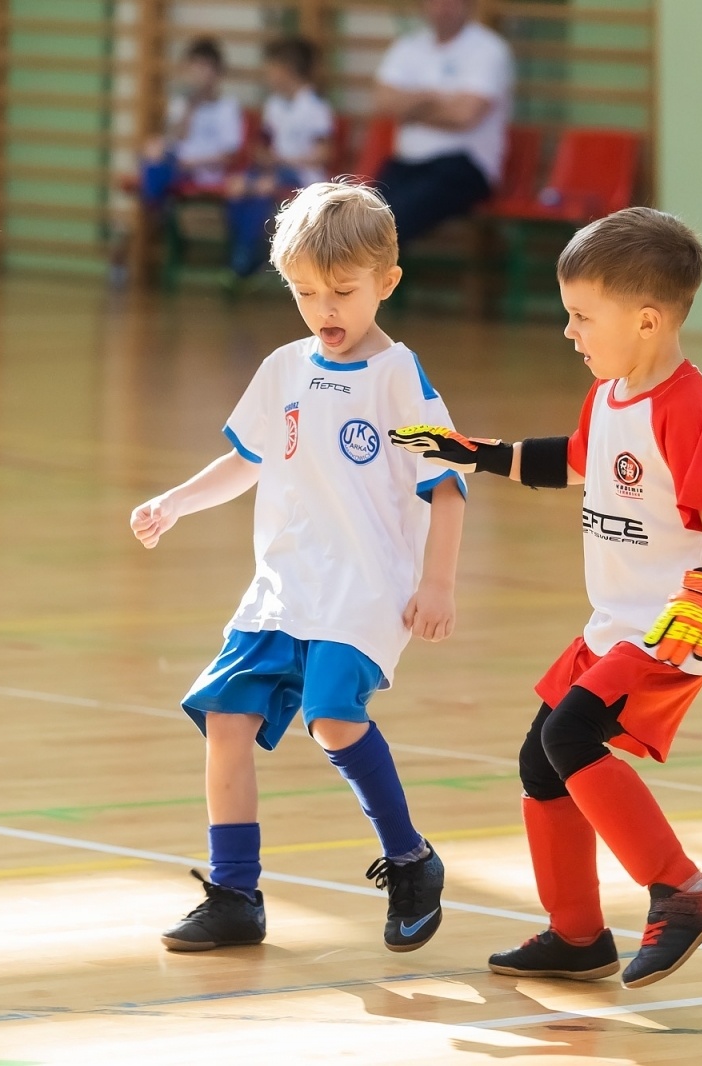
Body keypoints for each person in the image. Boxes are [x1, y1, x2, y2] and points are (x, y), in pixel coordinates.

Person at [389, 208, 702, 987]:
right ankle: (578, 935)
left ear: (647, 321)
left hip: (668, 627)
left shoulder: (689, 411)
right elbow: (571, 465)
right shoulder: (611, 395)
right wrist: (469, 452)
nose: (568, 330)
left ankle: (684, 889)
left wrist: (700, 596)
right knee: (541, 762)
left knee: (571, 737)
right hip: (614, 623)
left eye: (582, 316)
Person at [129, 180, 467, 954]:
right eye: (306, 292)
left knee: (334, 721)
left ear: (387, 282)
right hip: (283, 586)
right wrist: (176, 502)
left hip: (365, 589)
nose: (326, 310)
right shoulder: (284, 368)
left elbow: (446, 491)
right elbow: (245, 460)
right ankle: (235, 894)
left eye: (343, 292)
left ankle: (412, 861)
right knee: (224, 720)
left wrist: (438, 584)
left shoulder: (398, 378)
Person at [372, 0, 514, 245]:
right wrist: (436, 98)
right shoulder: (408, 47)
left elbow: (464, 116)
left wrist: (411, 108)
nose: (442, 8)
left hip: (463, 166)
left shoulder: (488, 50)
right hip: (406, 163)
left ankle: (375, 281)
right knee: (361, 219)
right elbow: (384, 102)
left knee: (390, 224)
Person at [225, 37, 335, 277]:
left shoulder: (315, 108)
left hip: (302, 176)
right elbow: (264, 143)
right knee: (237, 187)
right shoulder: (274, 106)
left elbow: (322, 154)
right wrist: (263, 156)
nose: (268, 75)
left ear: (288, 70)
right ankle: (242, 254)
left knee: (263, 189)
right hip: (274, 170)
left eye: (272, 69)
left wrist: (282, 162)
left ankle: (248, 259)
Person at [140, 38, 245, 204]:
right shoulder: (181, 103)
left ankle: (154, 203)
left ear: (217, 73)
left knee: (158, 170)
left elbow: (228, 156)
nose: (198, 74)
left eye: (204, 67)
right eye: (193, 68)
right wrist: (190, 109)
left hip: (204, 171)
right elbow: (172, 140)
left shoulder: (227, 107)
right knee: (153, 149)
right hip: (178, 167)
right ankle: (155, 202)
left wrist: (192, 163)